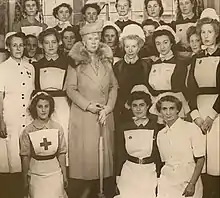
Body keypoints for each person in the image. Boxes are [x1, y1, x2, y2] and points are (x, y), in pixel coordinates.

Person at [66, 20, 118, 198]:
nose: (94, 41)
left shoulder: (106, 61)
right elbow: (70, 89)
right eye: (90, 38)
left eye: (97, 38)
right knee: (87, 158)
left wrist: (108, 108)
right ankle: (86, 192)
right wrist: (89, 106)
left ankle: (101, 190)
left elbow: (114, 87)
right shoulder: (75, 63)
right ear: (83, 41)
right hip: (85, 115)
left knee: (103, 158)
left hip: (104, 113)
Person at [187, 8, 220, 198]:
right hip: (200, 114)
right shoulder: (196, 57)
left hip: (217, 114)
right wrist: (196, 116)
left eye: (210, 32)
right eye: (203, 32)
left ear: (216, 34)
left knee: (216, 157)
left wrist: (211, 116)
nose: (206, 36)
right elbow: (190, 89)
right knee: (201, 157)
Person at [0, 32, 35, 198]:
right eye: (14, 45)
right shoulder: (3, 68)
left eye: (21, 45)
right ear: (8, 47)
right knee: (12, 160)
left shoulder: (30, 67)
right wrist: (0, 120)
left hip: (27, 118)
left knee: (27, 159)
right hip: (10, 118)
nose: (18, 48)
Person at [115, 85, 164, 198]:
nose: (138, 109)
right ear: (130, 107)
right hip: (129, 171)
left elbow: (158, 154)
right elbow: (120, 153)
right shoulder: (124, 127)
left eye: (142, 105)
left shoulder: (156, 126)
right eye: (135, 106)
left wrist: (158, 174)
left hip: (149, 171)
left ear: (147, 106)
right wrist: (118, 175)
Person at [155, 94, 205, 198]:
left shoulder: (191, 128)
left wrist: (192, 184)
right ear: (160, 111)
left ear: (178, 110)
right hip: (167, 183)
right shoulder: (160, 134)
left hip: (188, 181)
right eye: (164, 109)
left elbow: (200, 159)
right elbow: (165, 161)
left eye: (172, 108)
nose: (168, 113)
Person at [20, 92, 67, 198]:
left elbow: (62, 153)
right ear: (34, 108)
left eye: (46, 106)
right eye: (40, 106)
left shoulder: (57, 128)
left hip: (55, 173)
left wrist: (64, 176)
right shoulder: (28, 131)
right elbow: (25, 157)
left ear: (50, 108)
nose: (43, 110)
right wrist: (25, 179)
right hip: (36, 175)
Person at [33, 28, 70, 166]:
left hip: (62, 105)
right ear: (41, 45)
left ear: (59, 43)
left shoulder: (67, 63)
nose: (51, 46)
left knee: (63, 133)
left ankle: (65, 168)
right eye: (47, 43)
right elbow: (36, 89)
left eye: (54, 42)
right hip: (44, 105)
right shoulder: (37, 65)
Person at [146, 25, 190, 120]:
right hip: (158, 105)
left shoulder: (180, 63)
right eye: (158, 43)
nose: (162, 47)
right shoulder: (153, 64)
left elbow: (181, 87)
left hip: (175, 104)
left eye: (165, 42)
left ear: (171, 43)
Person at [113, 24, 151, 125]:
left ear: (139, 47)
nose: (130, 50)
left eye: (134, 46)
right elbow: (115, 88)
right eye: (127, 46)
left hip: (142, 109)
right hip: (122, 109)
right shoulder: (118, 66)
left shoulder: (146, 65)